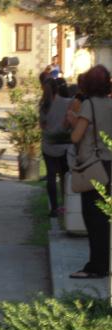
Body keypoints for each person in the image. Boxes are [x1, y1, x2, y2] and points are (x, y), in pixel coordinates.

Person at [67, 65, 112, 279]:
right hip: (110, 163)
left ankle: (96, 266)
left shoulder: (88, 105)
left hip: (94, 165)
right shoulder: (110, 103)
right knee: (106, 217)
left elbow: (77, 136)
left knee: (94, 219)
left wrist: (72, 121)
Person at [39, 77, 72, 217]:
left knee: (51, 177)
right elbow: (70, 120)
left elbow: (42, 126)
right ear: (57, 88)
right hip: (64, 145)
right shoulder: (67, 102)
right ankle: (66, 205)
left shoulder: (43, 106)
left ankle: (54, 208)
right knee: (65, 177)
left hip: (48, 145)